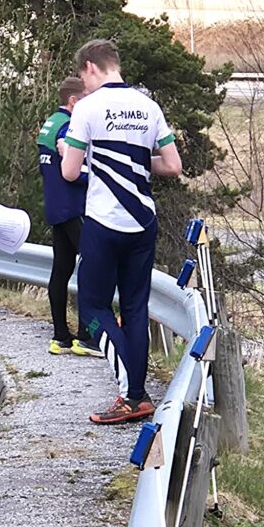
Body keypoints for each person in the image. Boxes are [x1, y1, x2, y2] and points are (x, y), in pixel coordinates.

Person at [61, 39, 182, 424]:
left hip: (105, 221)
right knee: (134, 309)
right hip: (143, 222)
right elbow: (173, 165)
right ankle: (136, 395)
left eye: (82, 75)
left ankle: (132, 395)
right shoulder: (148, 106)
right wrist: (135, 162)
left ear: (90, 67)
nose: (83, 83)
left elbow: (69, 172)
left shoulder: (88, 107)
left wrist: (75, 153)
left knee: (93, 308)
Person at [37, 76, 101, 358]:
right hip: (75, 207)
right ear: (74, 101)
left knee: (61, 271)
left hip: (56, 207)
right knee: (94, 267)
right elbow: (71, 167)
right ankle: (86, 337)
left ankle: (60, 337)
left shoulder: (50, 123)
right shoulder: (68, 126)